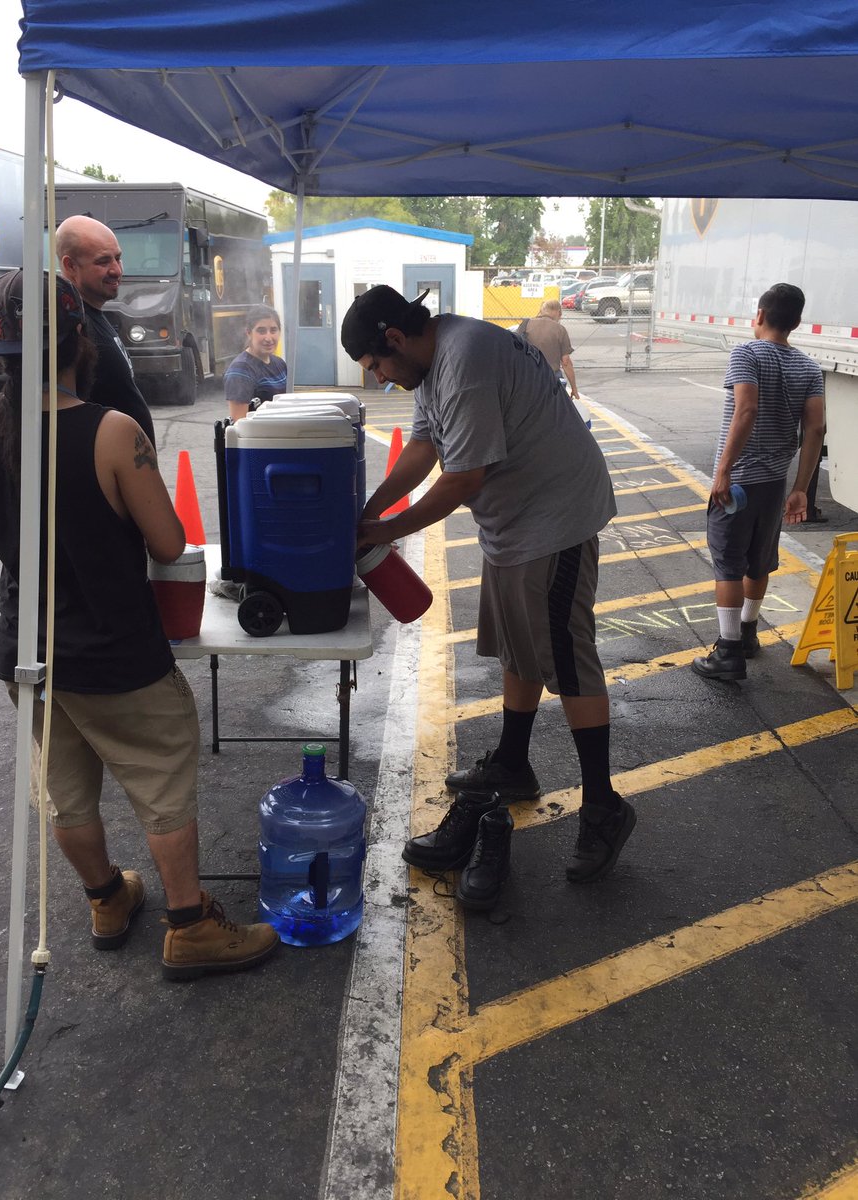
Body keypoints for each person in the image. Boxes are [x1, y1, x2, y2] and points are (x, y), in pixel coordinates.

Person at [0, 269, 279, 980]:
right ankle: (191, 926)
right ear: (82, 339)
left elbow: (5, 527)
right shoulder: (111, 431)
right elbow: (167, 544)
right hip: (113, 649)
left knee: (66, 789)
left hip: (26, 649)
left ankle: (107, 898)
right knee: (161, 783)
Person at [341, 285, 634, 906]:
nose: (383, 380)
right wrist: (370, 510)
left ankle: (605, 808)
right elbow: (424, 447)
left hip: (553, 519)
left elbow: (464, 475)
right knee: (514, 646)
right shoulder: (431, 365)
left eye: (377, 367)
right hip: (513, 524)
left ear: (394, 338)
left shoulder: (466, 354)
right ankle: (512, 761)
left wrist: (388, 531)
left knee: (566, 657)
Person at [692, 282, 825, 682]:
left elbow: (745, 409)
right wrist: (800, 487)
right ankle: (748, 633)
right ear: (797, 323)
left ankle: (728, 652)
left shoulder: (745, 353)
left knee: (729, 564)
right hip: (773, 482)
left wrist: (723, 471)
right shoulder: (808, 367)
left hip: (739, 484)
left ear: (760, 316)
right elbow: (815, 428)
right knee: (759, 558)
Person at [56, 214, 156, 448]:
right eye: (103, 262)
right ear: (70, 266)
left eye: (118, 258)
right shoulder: (74, 329)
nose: (117, 270)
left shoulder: (95, 316)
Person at [224, 304, 288, 422]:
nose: (268, 338)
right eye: (261, 331)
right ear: (249, 333)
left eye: (273, 330)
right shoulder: (240, 370)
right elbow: (240, 423)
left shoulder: (280, 364)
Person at [517, 299, 579, 399]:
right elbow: (565, 362)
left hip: (527, 378)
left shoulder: (525, 325)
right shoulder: (560, 329)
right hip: (551, 378)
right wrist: (574, 389)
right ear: (558, 312)